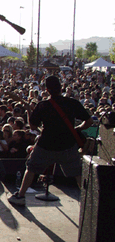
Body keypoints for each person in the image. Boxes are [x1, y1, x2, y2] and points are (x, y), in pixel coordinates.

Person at [9, 75, 93, 206]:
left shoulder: (43, 105)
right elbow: (89, 121)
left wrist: (29, 111)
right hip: (67, 145)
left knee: (31, 169)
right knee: (78, 173)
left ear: (47, 90)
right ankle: (89, 202)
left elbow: (33, 126)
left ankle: (20, 196)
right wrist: (77, 129)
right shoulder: (72, 103)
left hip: (45, 145)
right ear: (61, 88)